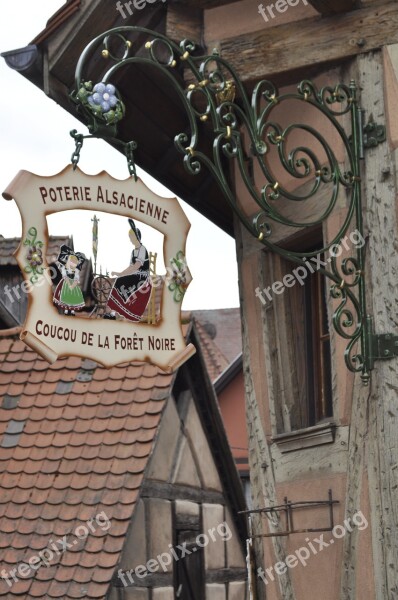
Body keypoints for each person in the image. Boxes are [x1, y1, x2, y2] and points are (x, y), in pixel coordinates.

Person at [104, 219, 152, 321]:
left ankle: (115, 312)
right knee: (119, 282)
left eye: (131, 237)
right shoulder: (133, 252)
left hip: (142, 278)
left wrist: (122, 275)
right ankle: (112, 313)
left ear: (136, 237)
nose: (130, 239)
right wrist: (120, 273)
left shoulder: (142, 249)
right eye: (130, 237)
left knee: (120, 282)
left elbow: (136, 266)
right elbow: (131, 267)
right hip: (135, 275)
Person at [53, 245, 86, 316]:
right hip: (66, 284)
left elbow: (76, 279)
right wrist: (69, 284)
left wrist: (73, 285)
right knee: (66, 296)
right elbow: (65, 277)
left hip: (73, 285)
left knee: (73, 298)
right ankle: (66, 310)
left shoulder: (76, 272)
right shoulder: (65, 270)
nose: (73, 264)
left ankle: (72, 310)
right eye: (71, 262)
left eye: (74, 263)